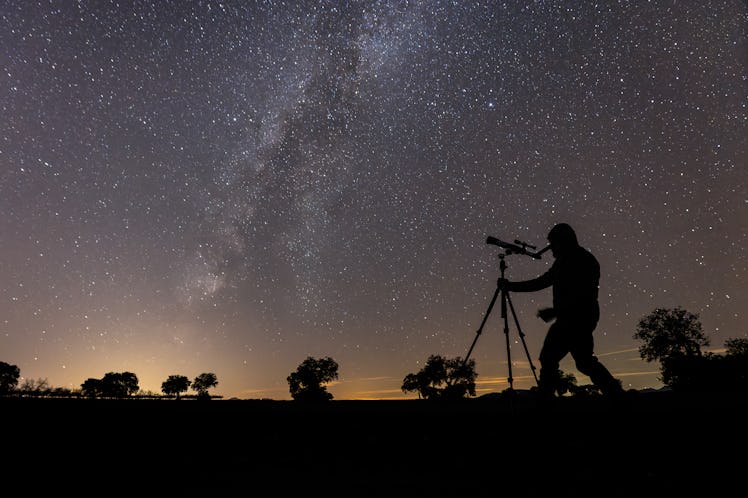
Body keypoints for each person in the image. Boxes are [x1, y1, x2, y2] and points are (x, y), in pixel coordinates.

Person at [498, 223, 626, 401]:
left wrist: (556, 311)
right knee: (582, 362)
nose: (551, 250)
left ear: (563, 242)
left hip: (577, 319)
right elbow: (543, 281)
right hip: (574, 318)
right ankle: (617, 396)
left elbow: (583, 295)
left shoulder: (581, 261)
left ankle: (545, 400)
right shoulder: (567, 261)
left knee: (556, 359)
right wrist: (511, 287)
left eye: (553, 245)